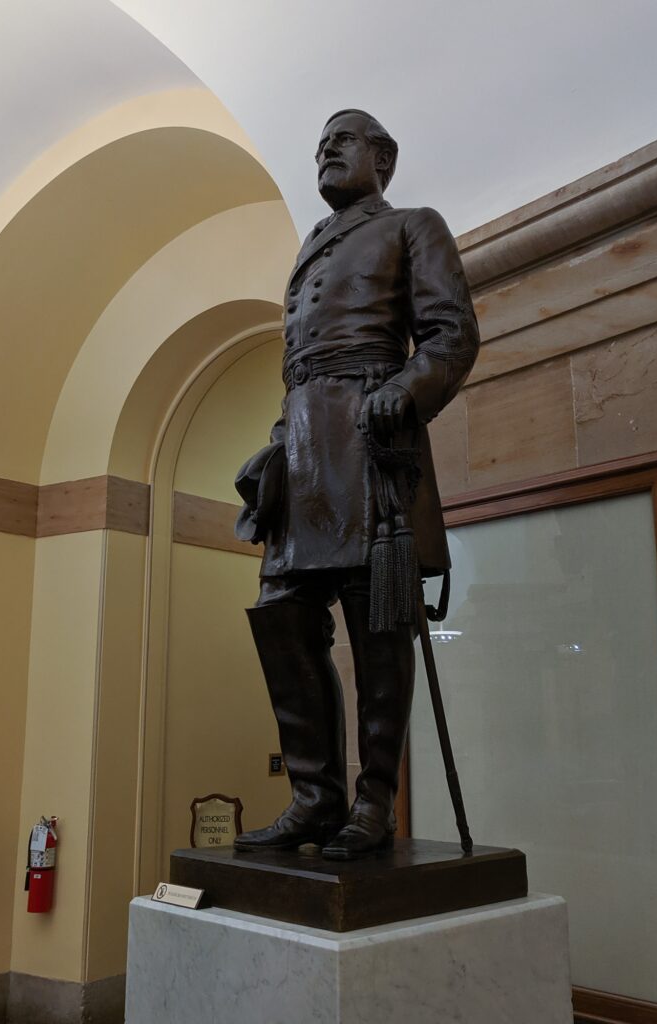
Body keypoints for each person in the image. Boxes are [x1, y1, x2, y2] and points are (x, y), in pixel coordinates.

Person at [233, 109, 479, 859]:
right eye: (318, 145)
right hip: (304, 450)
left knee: (377, 627)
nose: (324, 152)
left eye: (342, 140)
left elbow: (451, 335)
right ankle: (314, 798)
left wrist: (404, 390)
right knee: (282, 617)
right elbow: (296, 364)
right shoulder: (309, 248)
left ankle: (373, 802)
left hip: (369, 441)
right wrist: (279, 441)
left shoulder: (412, 224)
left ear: (384, 158)